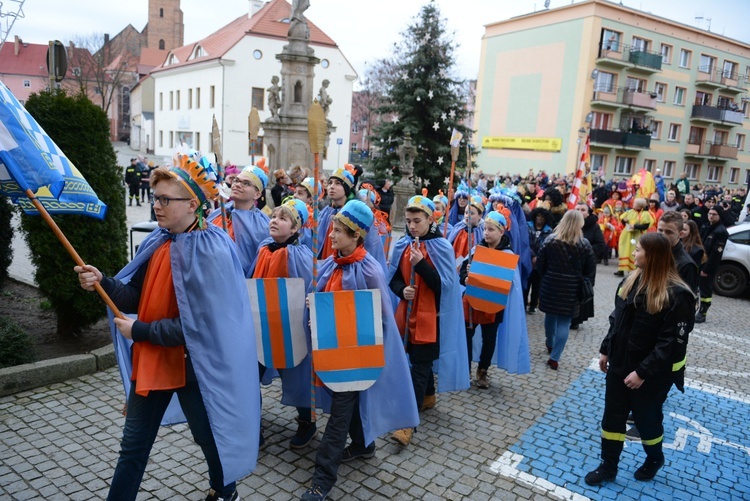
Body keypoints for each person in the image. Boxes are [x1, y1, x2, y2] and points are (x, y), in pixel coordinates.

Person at [74, 158, 260, 501]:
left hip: (195, 370)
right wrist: (104, 282)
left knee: (210, 440)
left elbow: (202, 328)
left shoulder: (212, 250)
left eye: (164, 199)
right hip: (153, 364)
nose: (156, 205)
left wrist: (141, 331)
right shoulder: (159, 241)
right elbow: (137, 295)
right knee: (132, 447)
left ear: (192, 204)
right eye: (155, 198)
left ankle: (225, 491)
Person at [301, 200, 419, 501]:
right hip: (333, 352)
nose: (331, 236)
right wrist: (313, 305)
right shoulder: (329, 264)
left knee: (339, 414)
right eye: (332, 230)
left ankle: (322, 479)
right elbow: (324, 299)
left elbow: (378, 316)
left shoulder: (369, 270)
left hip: (356, 356)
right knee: (346, 403)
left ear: (356, 236)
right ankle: (364, 446)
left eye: (339, 231)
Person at [585, 233, 695, 487]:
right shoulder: (630, 281)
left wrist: (642, 372)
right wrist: (605, 350)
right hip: (619, 365)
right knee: (612, 418)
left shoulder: (678, 295)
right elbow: (616, 320)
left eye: (638, 250)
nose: (633, 253)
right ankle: (608, 466)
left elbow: (671, 343)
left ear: (653, 256)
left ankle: (654, 458)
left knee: (647, 421)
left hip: (652, 375)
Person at [388, 196, 468, 445]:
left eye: (417, 221)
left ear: (430, 219)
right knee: (412, 360)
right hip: (406, 312)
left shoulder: (441, 246)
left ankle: (407, 422)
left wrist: (421, 265)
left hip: (429, 318)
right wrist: (403, 291)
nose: (412, 226)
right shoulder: (403, 244)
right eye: (408, 221)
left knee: (420, 366)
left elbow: (444, 287)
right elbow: (393, 278)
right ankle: (428, 397)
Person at [249, 198, 318, 449]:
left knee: (298, 373)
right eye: (273, 216)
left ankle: (306, 422)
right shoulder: (263, 248)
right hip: (261, 323)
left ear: (296, 228)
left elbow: (305, 290)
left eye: (283, 218)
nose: (274, 221)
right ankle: (252, 426)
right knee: (250, 374)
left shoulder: (300, 255)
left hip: (290, 327)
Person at [537, 210, 596, 370]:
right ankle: (555, 358)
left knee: (550, 316)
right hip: (572, 288)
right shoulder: (584, 245)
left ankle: (550, 343)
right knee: (564, 322)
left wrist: (547, 277)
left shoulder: (550, 241)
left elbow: (540, 264)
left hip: (551, 284)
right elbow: (590, 270)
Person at [460, 212, 510, 388]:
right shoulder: (475, 250)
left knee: (489, 339)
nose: (486, 233)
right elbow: (462, 274)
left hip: (493, 304)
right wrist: (466, 277)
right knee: (467, 336)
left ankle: (482, 371)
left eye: (491, 230)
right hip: (471, 302)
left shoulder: (507, 254)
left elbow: (510, 282)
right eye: (485, 229)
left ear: (501, 231)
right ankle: (464, 370)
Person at [318, 167, 387, 272]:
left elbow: (371, 244)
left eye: (338, 183)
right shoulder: (325, 213)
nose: (332, 187)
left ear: (347, 188)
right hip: (326, 266)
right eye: (330, 183)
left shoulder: (358, 214)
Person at [208, 165, 270, 276]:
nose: (237, 185)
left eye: (246, 183)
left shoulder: (262, 225)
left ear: (257, 194)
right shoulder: (219, 212)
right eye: (237, 180)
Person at [571, 203, 604, 330]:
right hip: (569, 264)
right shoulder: (569, 224)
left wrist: (585, 250)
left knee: (581, 291)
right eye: (577, 209)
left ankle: (577, 319)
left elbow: (600, 245)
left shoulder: (594, 227)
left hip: (585, 265)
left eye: (583, 210)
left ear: (588, 213)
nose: (580, 211)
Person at [696, 205, 729, 323]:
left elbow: (716, 254)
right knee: (697, 287)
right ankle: (696, 309)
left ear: (719, 216)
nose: (711, 216)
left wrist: (706, 269)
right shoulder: (706, 226)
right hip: (700, 262)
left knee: (705, 289)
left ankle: (703, 312)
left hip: (709, 265)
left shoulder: (721, 231)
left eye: (714, 214)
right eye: (709, 213)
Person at [658, 211, 699, 293]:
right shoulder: (653, 252)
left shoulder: (686, 264)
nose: (663, 235)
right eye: (660, 230)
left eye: (669, 232)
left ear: (680, 234)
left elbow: (685, 299)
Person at [615, 198, 653, 276]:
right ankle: (621, 269)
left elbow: (645, 226)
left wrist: (635, 226)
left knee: (634, 252)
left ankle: (633, 270)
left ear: (640, 206)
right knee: (623, 251)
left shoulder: (645, 214)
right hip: (627, 235)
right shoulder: (630, 211)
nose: (633, 205)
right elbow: (622, 220)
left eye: (635, 204)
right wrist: (624, 221)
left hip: (637, 235)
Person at [525, 208, 553, 313]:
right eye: (538, 216)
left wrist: (538, 257)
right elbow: (525, 242)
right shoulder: (528, 227)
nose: (539, 219)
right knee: (526, 283)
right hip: (527, 259)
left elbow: (547, 246)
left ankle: (533, 305)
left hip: (540, 262)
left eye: (542, 217)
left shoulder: (548, 230)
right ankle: (523, 303)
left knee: (537, 285)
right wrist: (532, 255)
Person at [448, 195, 485, 265]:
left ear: (480, 215)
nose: (467, 215)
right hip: (457, 260)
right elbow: (450, 244)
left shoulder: (483, 230)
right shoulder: (459, 227)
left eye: (472, 213)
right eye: (466, 213)